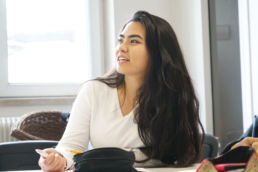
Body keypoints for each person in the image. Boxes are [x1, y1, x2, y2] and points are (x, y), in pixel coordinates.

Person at [38, 10, 204, 172]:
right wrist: (58, 158)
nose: (121, 48)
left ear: (157, 52)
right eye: (120, 40)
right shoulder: (93, 91)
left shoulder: (174, 95)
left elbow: (178, 154)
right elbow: (71, 147)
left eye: (133, 41)